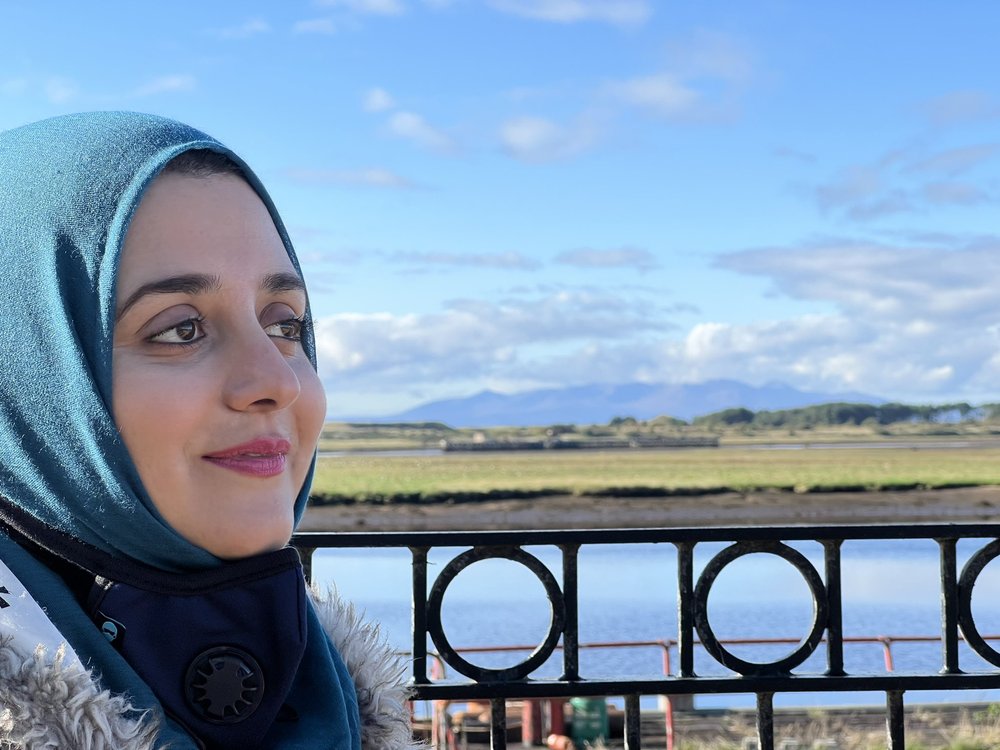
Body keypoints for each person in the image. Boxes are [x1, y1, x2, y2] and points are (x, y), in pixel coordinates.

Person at [0, 112, 418, 749]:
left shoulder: (331, 696)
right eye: (178, 329)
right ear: (29, 378)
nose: (275, 380)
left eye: (284, 324)